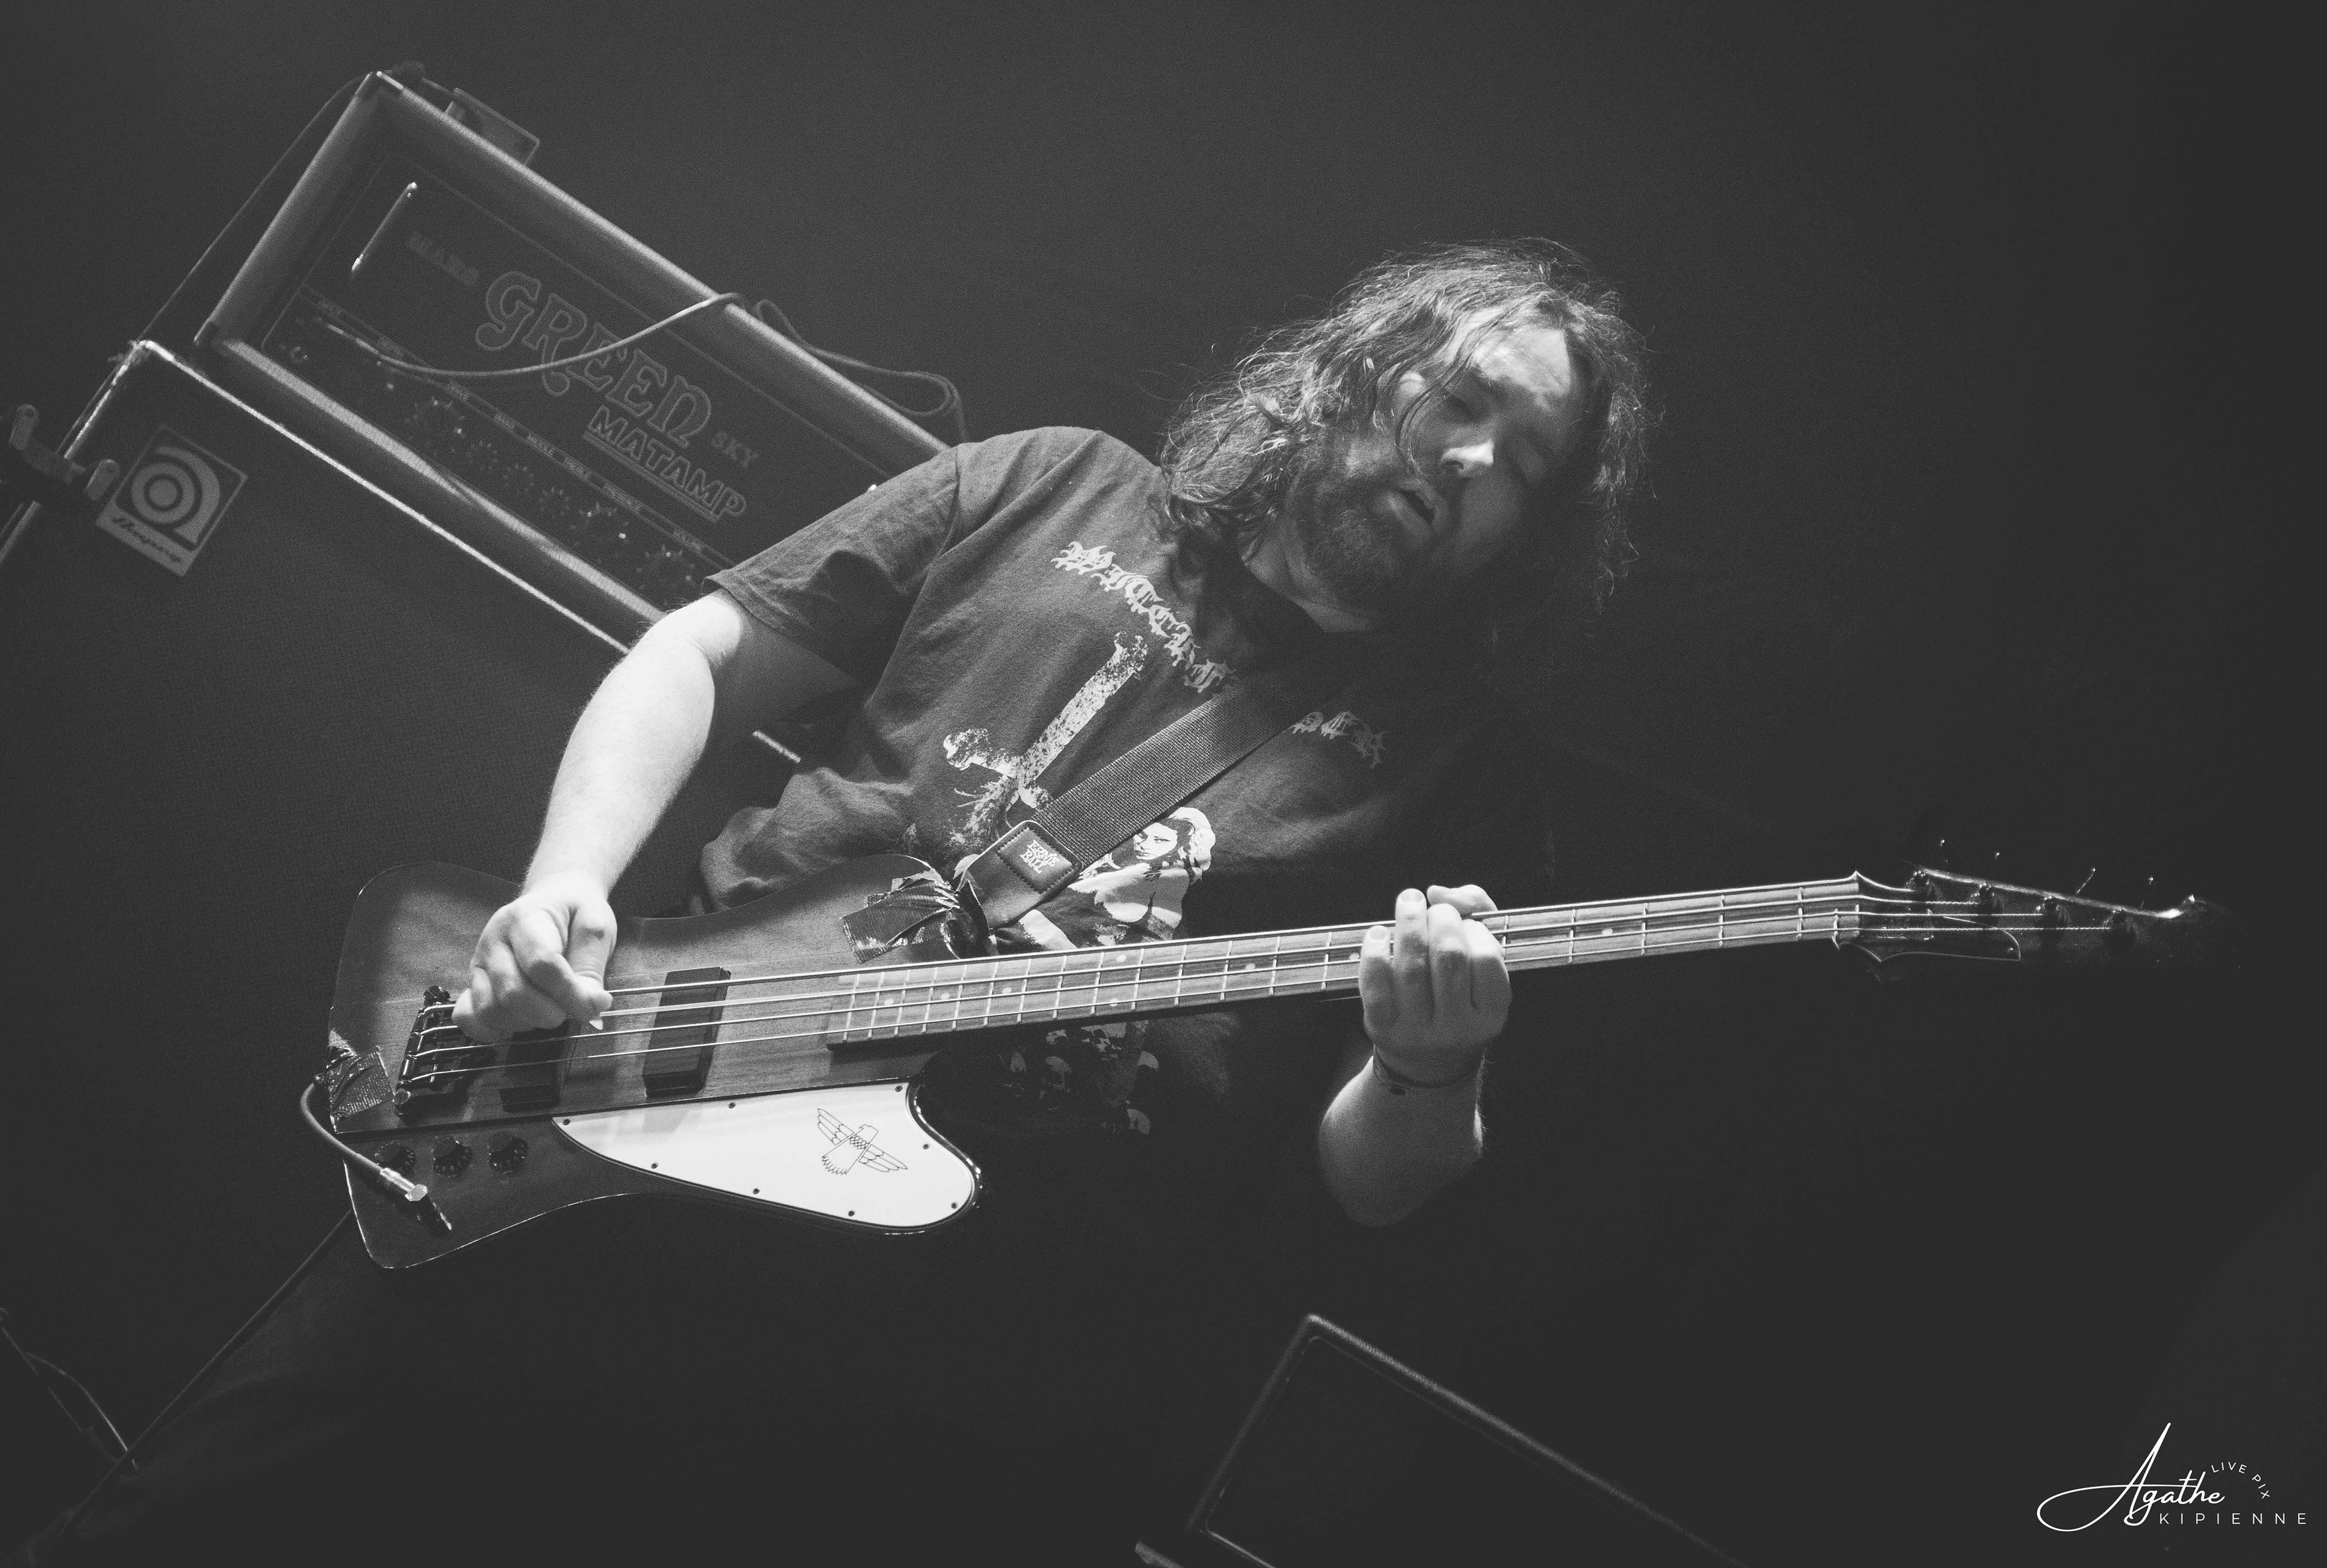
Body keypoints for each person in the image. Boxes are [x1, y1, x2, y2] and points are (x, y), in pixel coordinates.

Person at [20, 239, 1651, 1562]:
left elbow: (1374, 1185)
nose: (1468, 460)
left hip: (926, 1350)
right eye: (1459, 399)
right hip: (634, 1111)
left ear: (1533, 532)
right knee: (218, 1511)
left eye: (1521, 464)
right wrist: (565, 887)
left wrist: (1431, 1062)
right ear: (1362, 370)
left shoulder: (1464, 768)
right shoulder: (1056, 484)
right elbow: (702, 654)